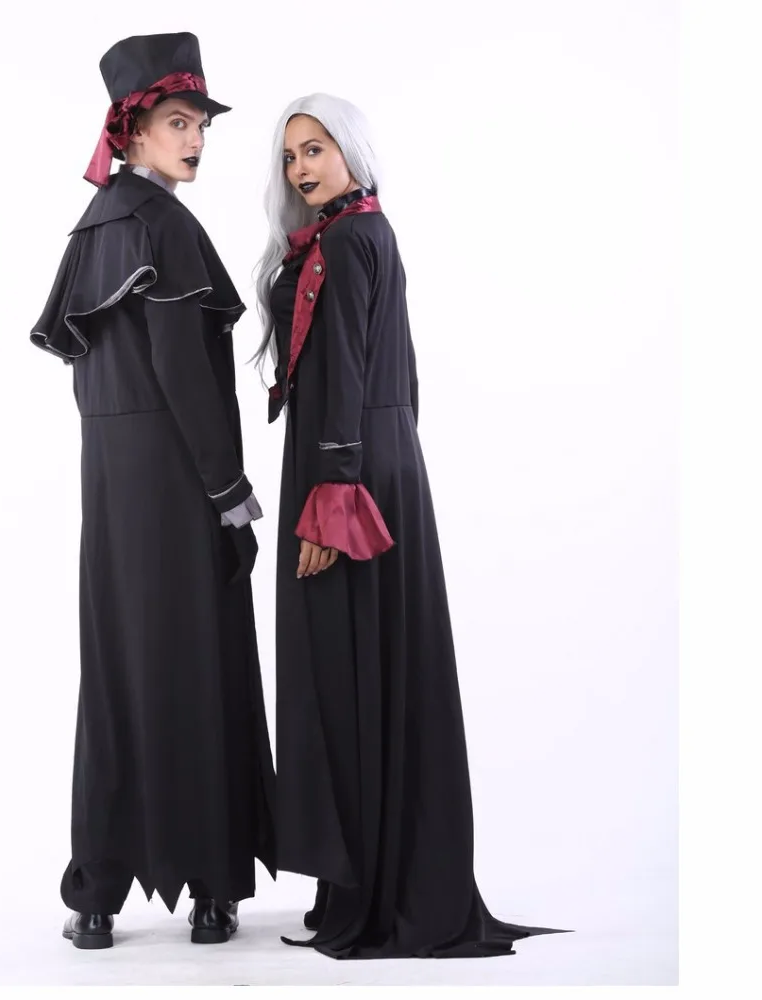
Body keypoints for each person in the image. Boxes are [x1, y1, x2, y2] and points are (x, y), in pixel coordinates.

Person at [255, 93, 565, 959]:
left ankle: (376, 890)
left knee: (350, 669)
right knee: (352, 667)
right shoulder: (351, 234)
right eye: (290, 156)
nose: (301, 167)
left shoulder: (354, 238)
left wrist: (336, 496)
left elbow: (353, 371)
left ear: (351, 150)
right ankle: (364, 875)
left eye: (316, 148)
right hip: (366, 460)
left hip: (346, 472)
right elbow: (395, 370)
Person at [30, 32, 276, 950]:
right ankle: (212, 890)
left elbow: (88, 375)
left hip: (110, 487)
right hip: (177, 481)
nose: (196, 139)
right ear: (131, 131)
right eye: (178, 122)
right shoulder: (163, 227)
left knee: (117, 673)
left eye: (201, 124)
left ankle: (95, 897)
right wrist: (229, 495)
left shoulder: (93, 226)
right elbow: (184, 376)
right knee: (200, 664)